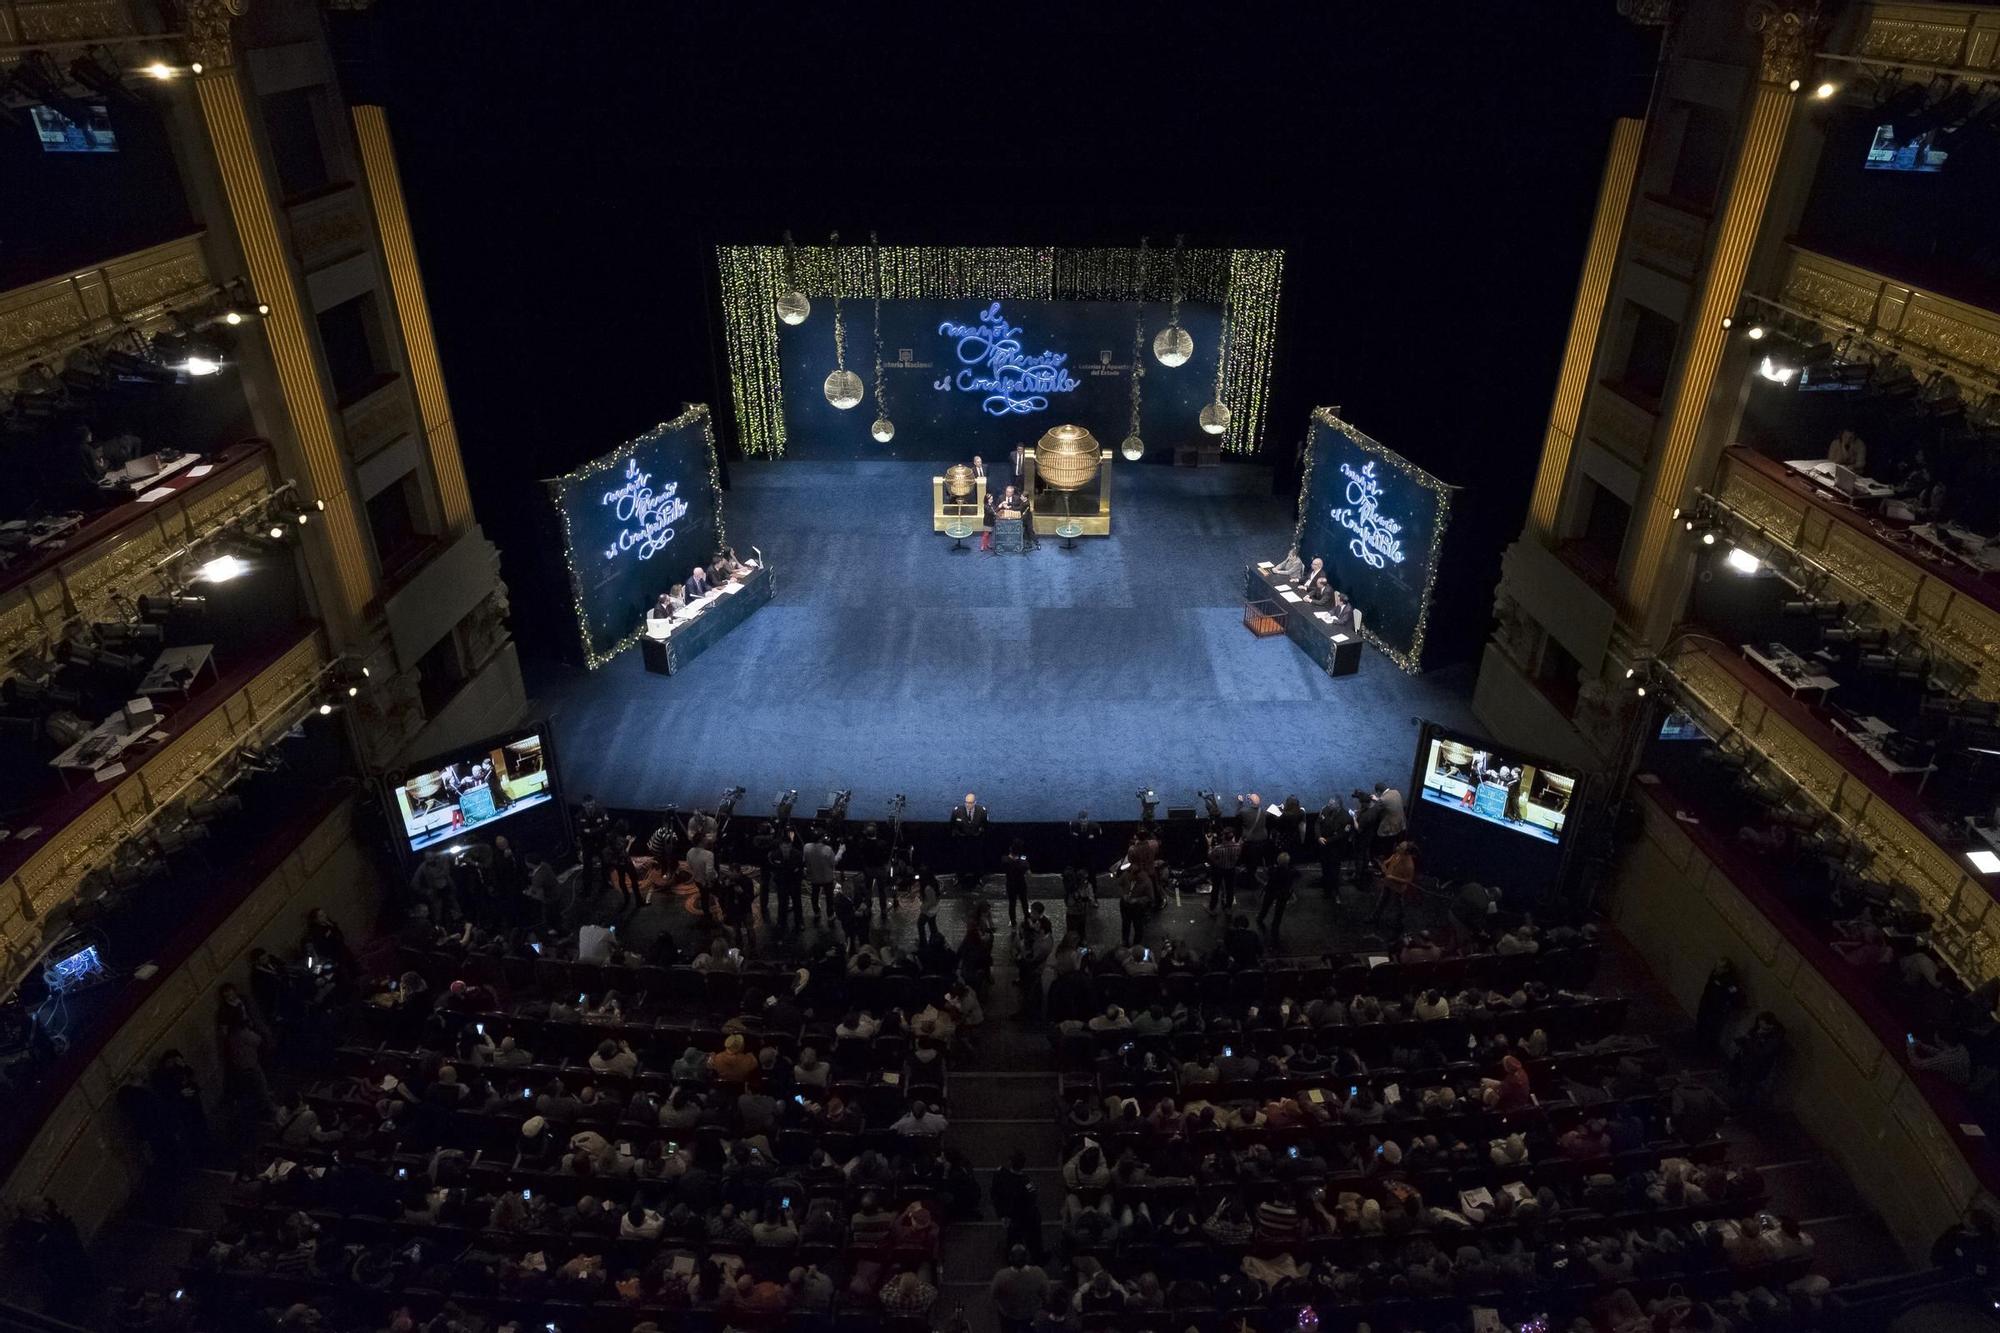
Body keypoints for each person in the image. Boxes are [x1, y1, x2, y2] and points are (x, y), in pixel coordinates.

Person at [989, 1245, 1049, 1333]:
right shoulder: (1038, 1273)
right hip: (1031, 1314)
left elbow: (993, 1295)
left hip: (1008, 1314)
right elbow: (1046, 1295)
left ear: (1010, 1258)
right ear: (1027, 1258)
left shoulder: (1001, 1276)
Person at [1001, 840, 1031, 926]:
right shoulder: (1023, 862)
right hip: (1021, 884)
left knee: (1012, 903)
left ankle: (1013, 921)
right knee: (1024, 902)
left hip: (1011, 885)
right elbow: (1029, 874)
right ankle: (1027, 919)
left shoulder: (1005, 860)